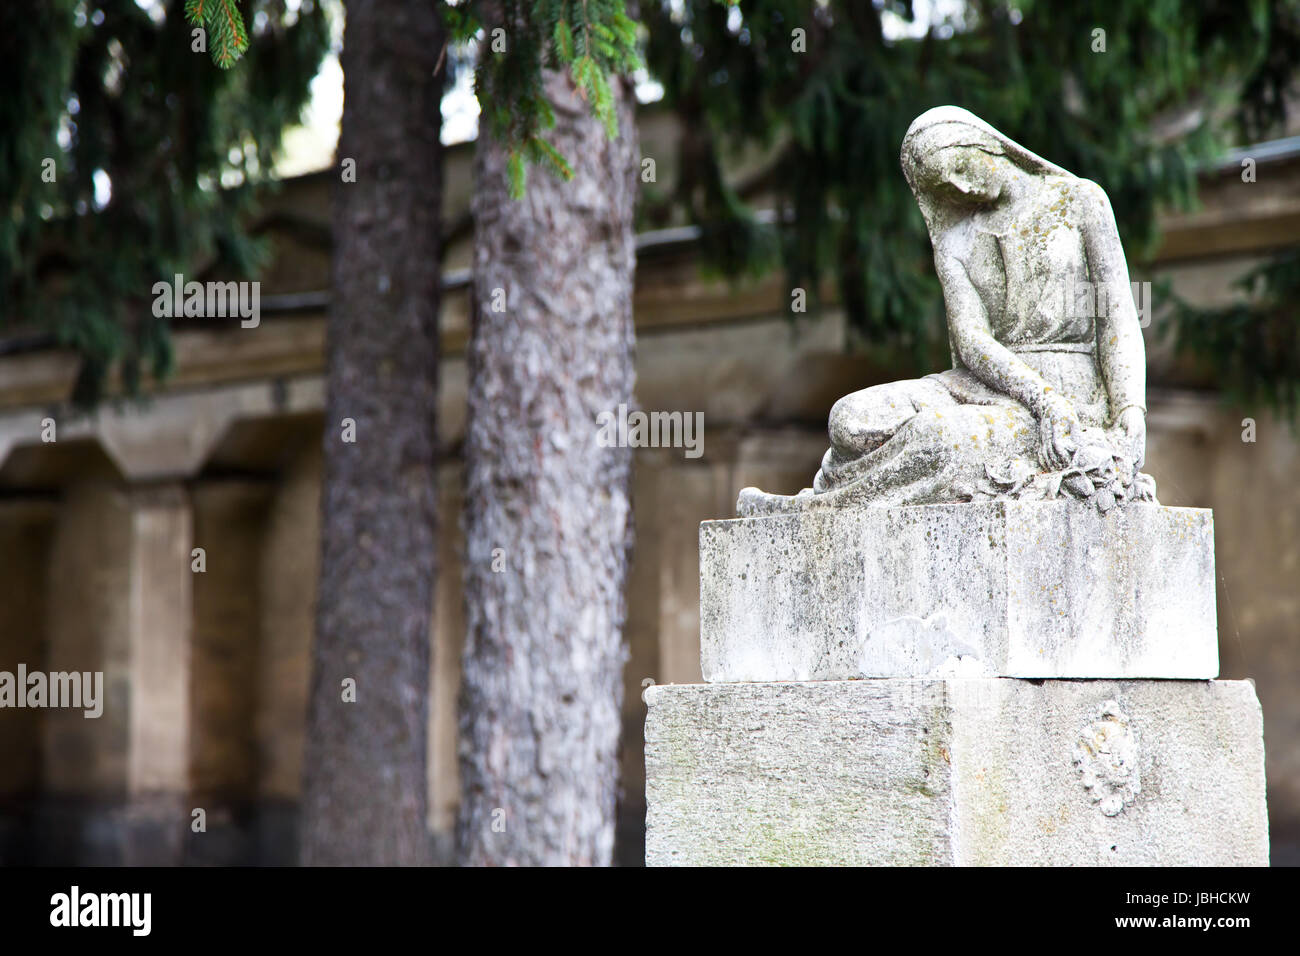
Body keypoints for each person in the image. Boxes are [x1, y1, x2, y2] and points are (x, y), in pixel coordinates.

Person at [738, 106, 1156, 516]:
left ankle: (818, 512)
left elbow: (1117, 316)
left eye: (959, 166)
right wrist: (1037, 397)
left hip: (1070, 393)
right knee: (849, 419)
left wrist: (1128, 410)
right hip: (987, 383)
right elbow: (972, 340)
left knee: (937, 436)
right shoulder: (956, 241)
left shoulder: (1078, 200)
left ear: (985, 145)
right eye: (944, 185)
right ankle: (821, 503)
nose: (960, 186)